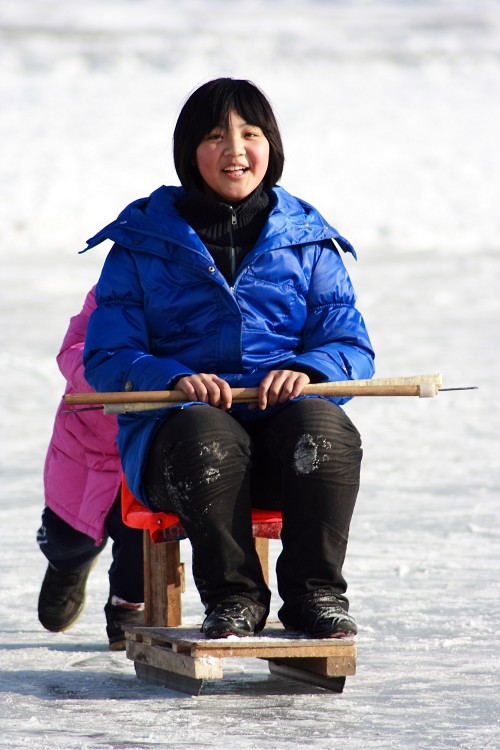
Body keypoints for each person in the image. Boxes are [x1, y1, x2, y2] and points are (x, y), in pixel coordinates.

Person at [83, 77, 375, 640]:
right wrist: (174, 379)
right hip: (180, 451)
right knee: (206, 435)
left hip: (282, 453)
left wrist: (310, 371)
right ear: (190, 152)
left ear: (272, 145)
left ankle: (316, 597)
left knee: (327, 428)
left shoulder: (310, 243)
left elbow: (350, 345)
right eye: (216, 135)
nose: (235, 150)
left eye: (250, 133)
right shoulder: (141, 243)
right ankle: (234, 600)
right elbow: (107, 355)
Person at [37, 286, 144, 650]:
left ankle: (127, 603)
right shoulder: (112, 289)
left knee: (141, 534)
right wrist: (119, 376)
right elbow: (73, 350)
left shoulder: (193, 295)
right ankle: (67, 566)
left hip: (146, 439)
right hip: (86, 442)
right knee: (69, 534)